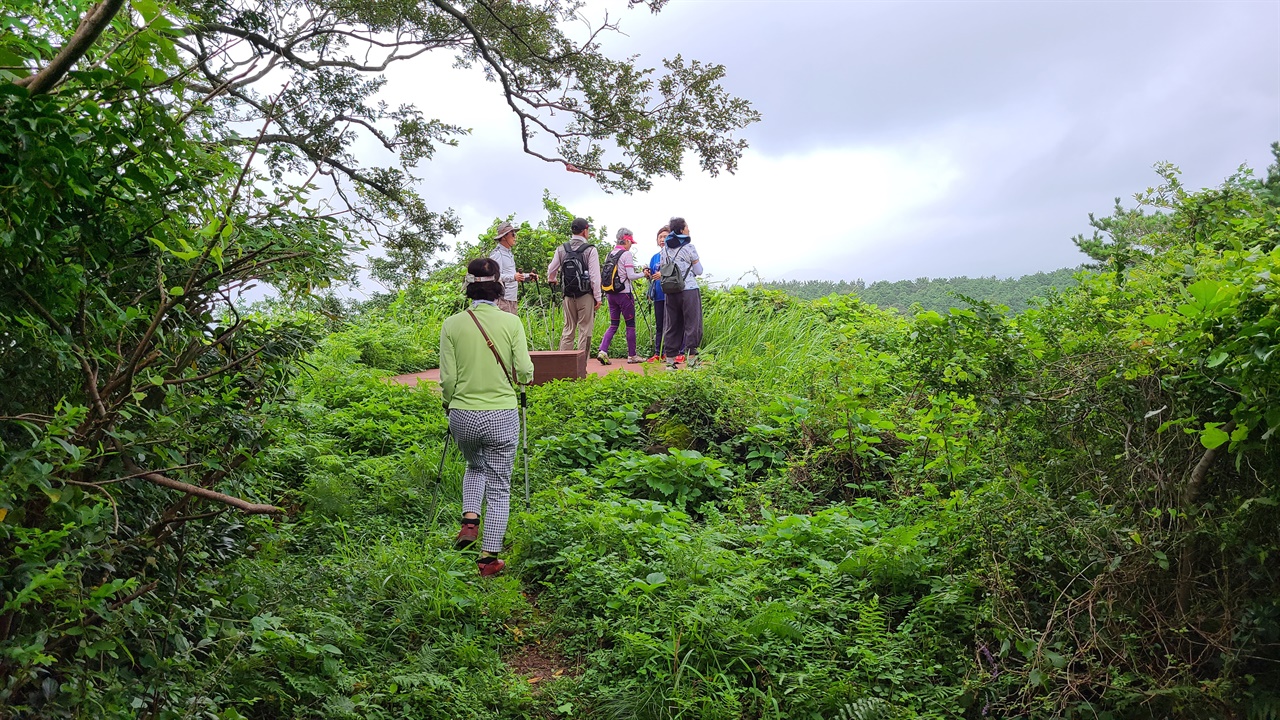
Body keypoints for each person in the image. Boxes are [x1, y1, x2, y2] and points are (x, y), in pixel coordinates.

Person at [439, 258, 535, 576]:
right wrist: (525, 376)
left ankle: (469, 521)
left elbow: (448, 380)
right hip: (501, 414)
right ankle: (488, 561)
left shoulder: (451, 325)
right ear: (499, 287)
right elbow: (524, 371)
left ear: (469, 288)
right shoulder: (511, 323)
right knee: (498, 485)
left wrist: (448, 403)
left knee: (474, 465)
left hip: (463, 415)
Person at [653, 217, 704, 367]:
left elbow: (663, 269)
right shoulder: (689, 248)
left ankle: (670, 362)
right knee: (692, 324)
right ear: (681, 230)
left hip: (671, 291)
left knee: (672, 325)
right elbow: (699, 271)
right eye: (687, 227)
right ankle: (692, 360)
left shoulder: (665, 251)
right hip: (689, 290)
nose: (688, 229)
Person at [546, 217, 601, 351]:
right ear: (584, 231)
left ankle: (563, 367)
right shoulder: (590, 250)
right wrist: (598, 297)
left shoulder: (562, 249)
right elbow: (594, 276)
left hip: (568, 295)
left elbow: (551, 269)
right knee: (585, 330)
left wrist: (552, 278)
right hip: (585, 295)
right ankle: (582, 366)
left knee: (568, 328)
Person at [596, 228, 645, 365]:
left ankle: (603, 350)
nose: (631, 245)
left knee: (613, 324)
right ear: (627, 240)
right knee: (630, 325)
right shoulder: (626, 254)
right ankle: (632, 355)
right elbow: (631, 276)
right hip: (624, 295)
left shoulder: (610, 254)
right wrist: (643, 274)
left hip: (611, 294)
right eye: (631, 242)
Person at [488, 221, 537, 315]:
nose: (515, 237)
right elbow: (494, 276)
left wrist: (527, 276)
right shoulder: (497, 254)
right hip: (502, 300)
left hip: (511, 299)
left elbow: (512, 274)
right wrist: (514, 277)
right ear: (504, 237)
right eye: (513, 234)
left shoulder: (509, 253)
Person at [643, 225, 670, 362]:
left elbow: (677, 272)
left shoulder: (674, 254)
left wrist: (663, 274)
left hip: (671, 295)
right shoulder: (654, 257)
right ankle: (658, 353)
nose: (662, 239)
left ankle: (671, 352)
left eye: (665, 236)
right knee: (659, 325)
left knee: (671, 324)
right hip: (658, 295)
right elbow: (653, 276)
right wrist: (648, 274)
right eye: (660, 237)